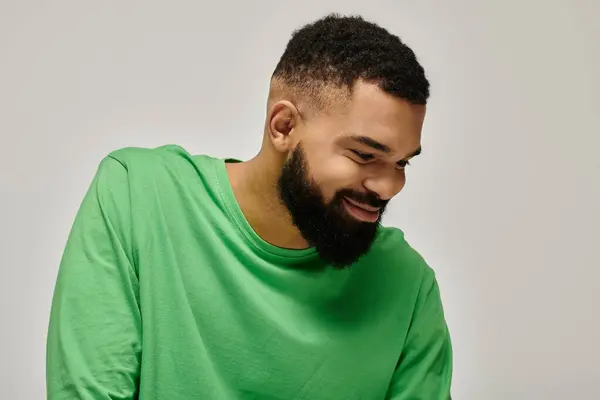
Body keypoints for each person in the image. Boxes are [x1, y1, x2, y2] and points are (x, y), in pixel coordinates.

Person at [46, 13, 452, 400]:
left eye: (402, 162)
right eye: (365, 155)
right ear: (284, 127)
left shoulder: (408, 285)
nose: (389, 186)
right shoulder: (137, 196)